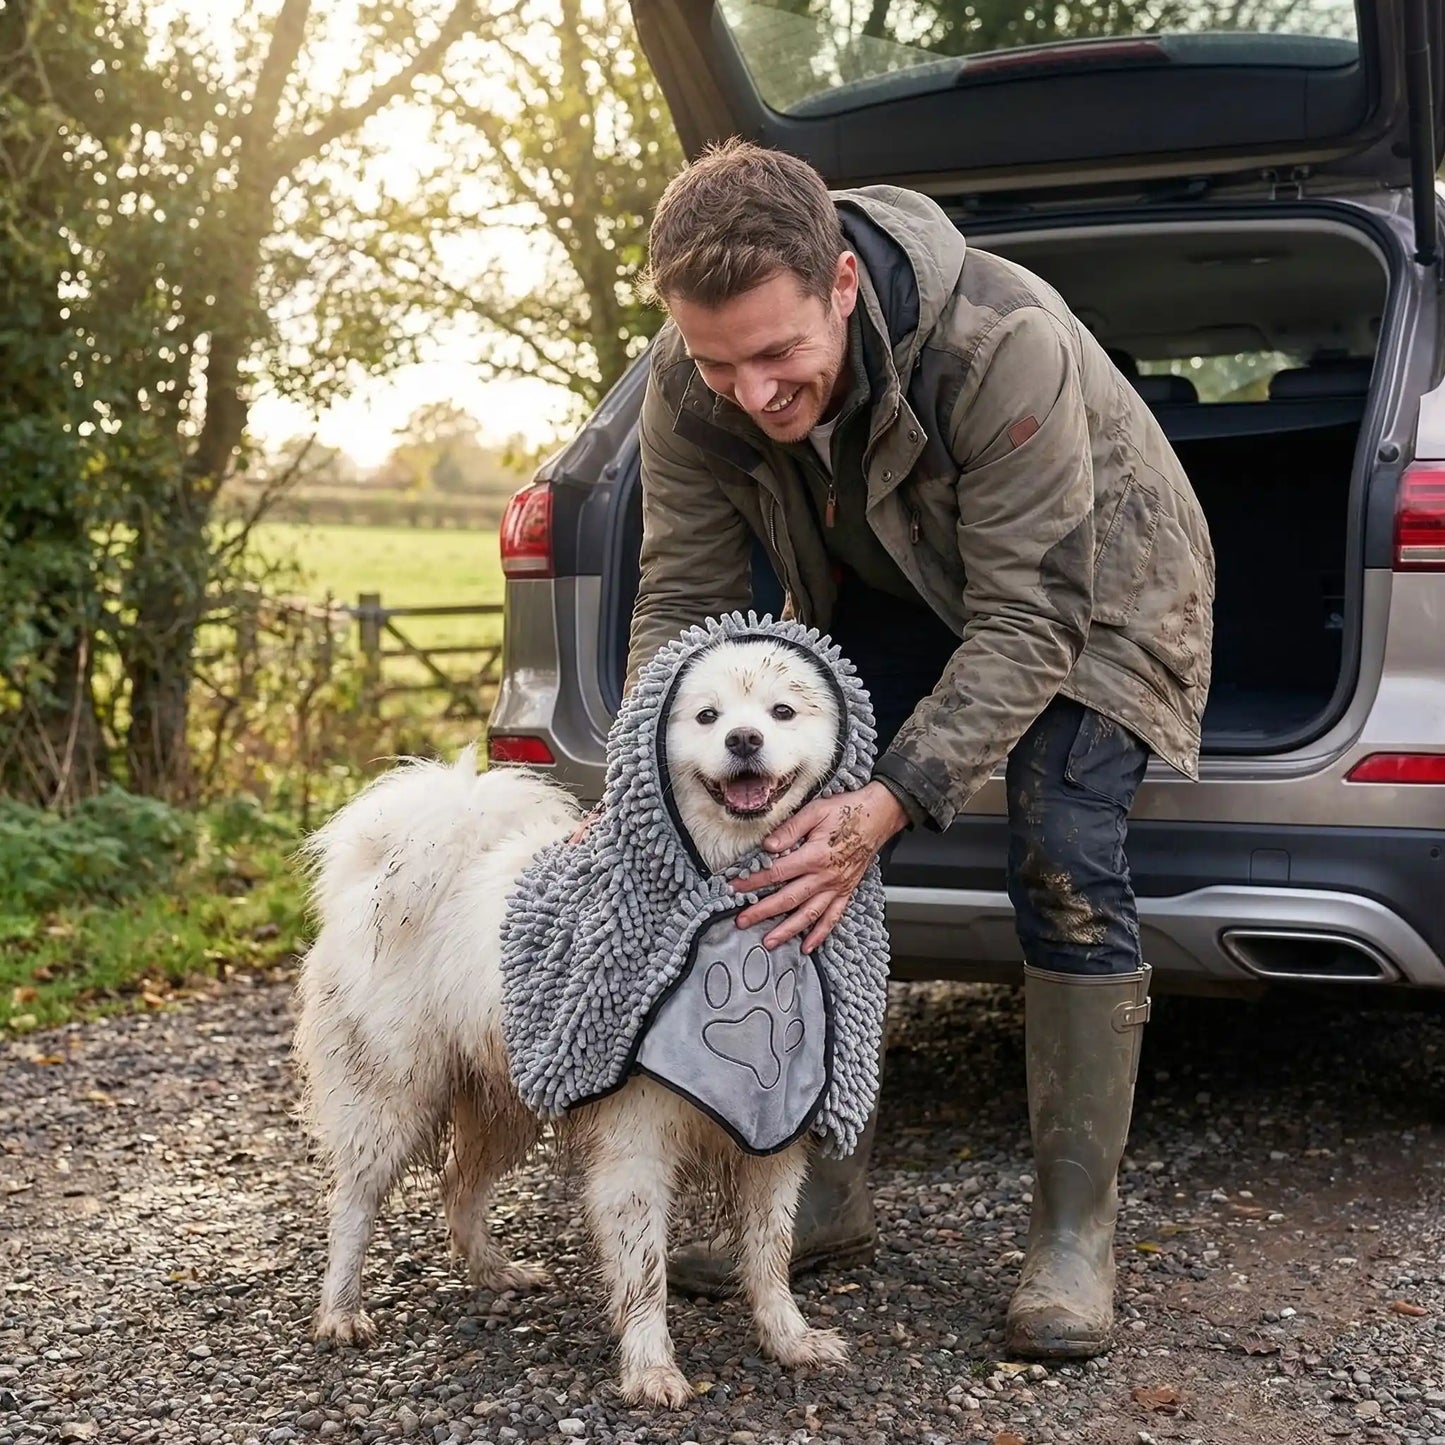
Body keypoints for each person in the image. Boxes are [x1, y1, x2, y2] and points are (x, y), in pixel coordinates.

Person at [621, 137, 1214, 1360]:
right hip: (896, 587)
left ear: (840, 282)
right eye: (718, 361)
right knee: (783, 844)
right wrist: (647, 779)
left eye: (777, 354)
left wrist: (888, 801)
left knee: (1059, 843)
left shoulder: (998, 343)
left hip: (1097, 593)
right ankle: (820, 1192)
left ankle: (1072, 1236)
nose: (750, 392)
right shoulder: (688, 381)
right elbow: (679, 597)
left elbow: (1029, 618)